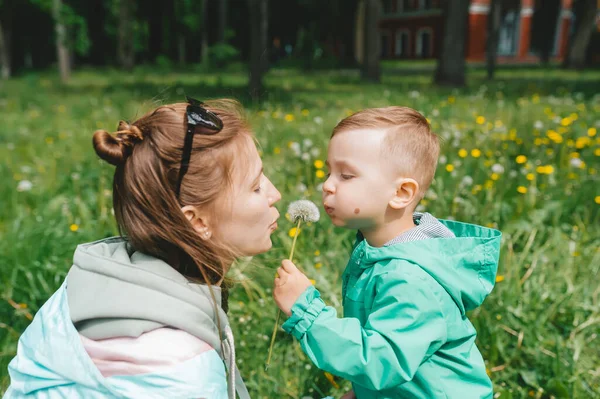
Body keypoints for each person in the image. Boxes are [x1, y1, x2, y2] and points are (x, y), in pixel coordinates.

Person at [5, 97, 282, 399]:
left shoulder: (87, 290)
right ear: (196, 221)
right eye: (255, 187)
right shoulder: (180, 368)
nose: (276, 194)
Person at [273, 106, 502, 399]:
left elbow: (382, 360)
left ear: (401, 193)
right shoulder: (382, 254)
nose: (327, 185)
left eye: (346, 175)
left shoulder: (411, 278)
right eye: (329, 171)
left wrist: (306, 312)